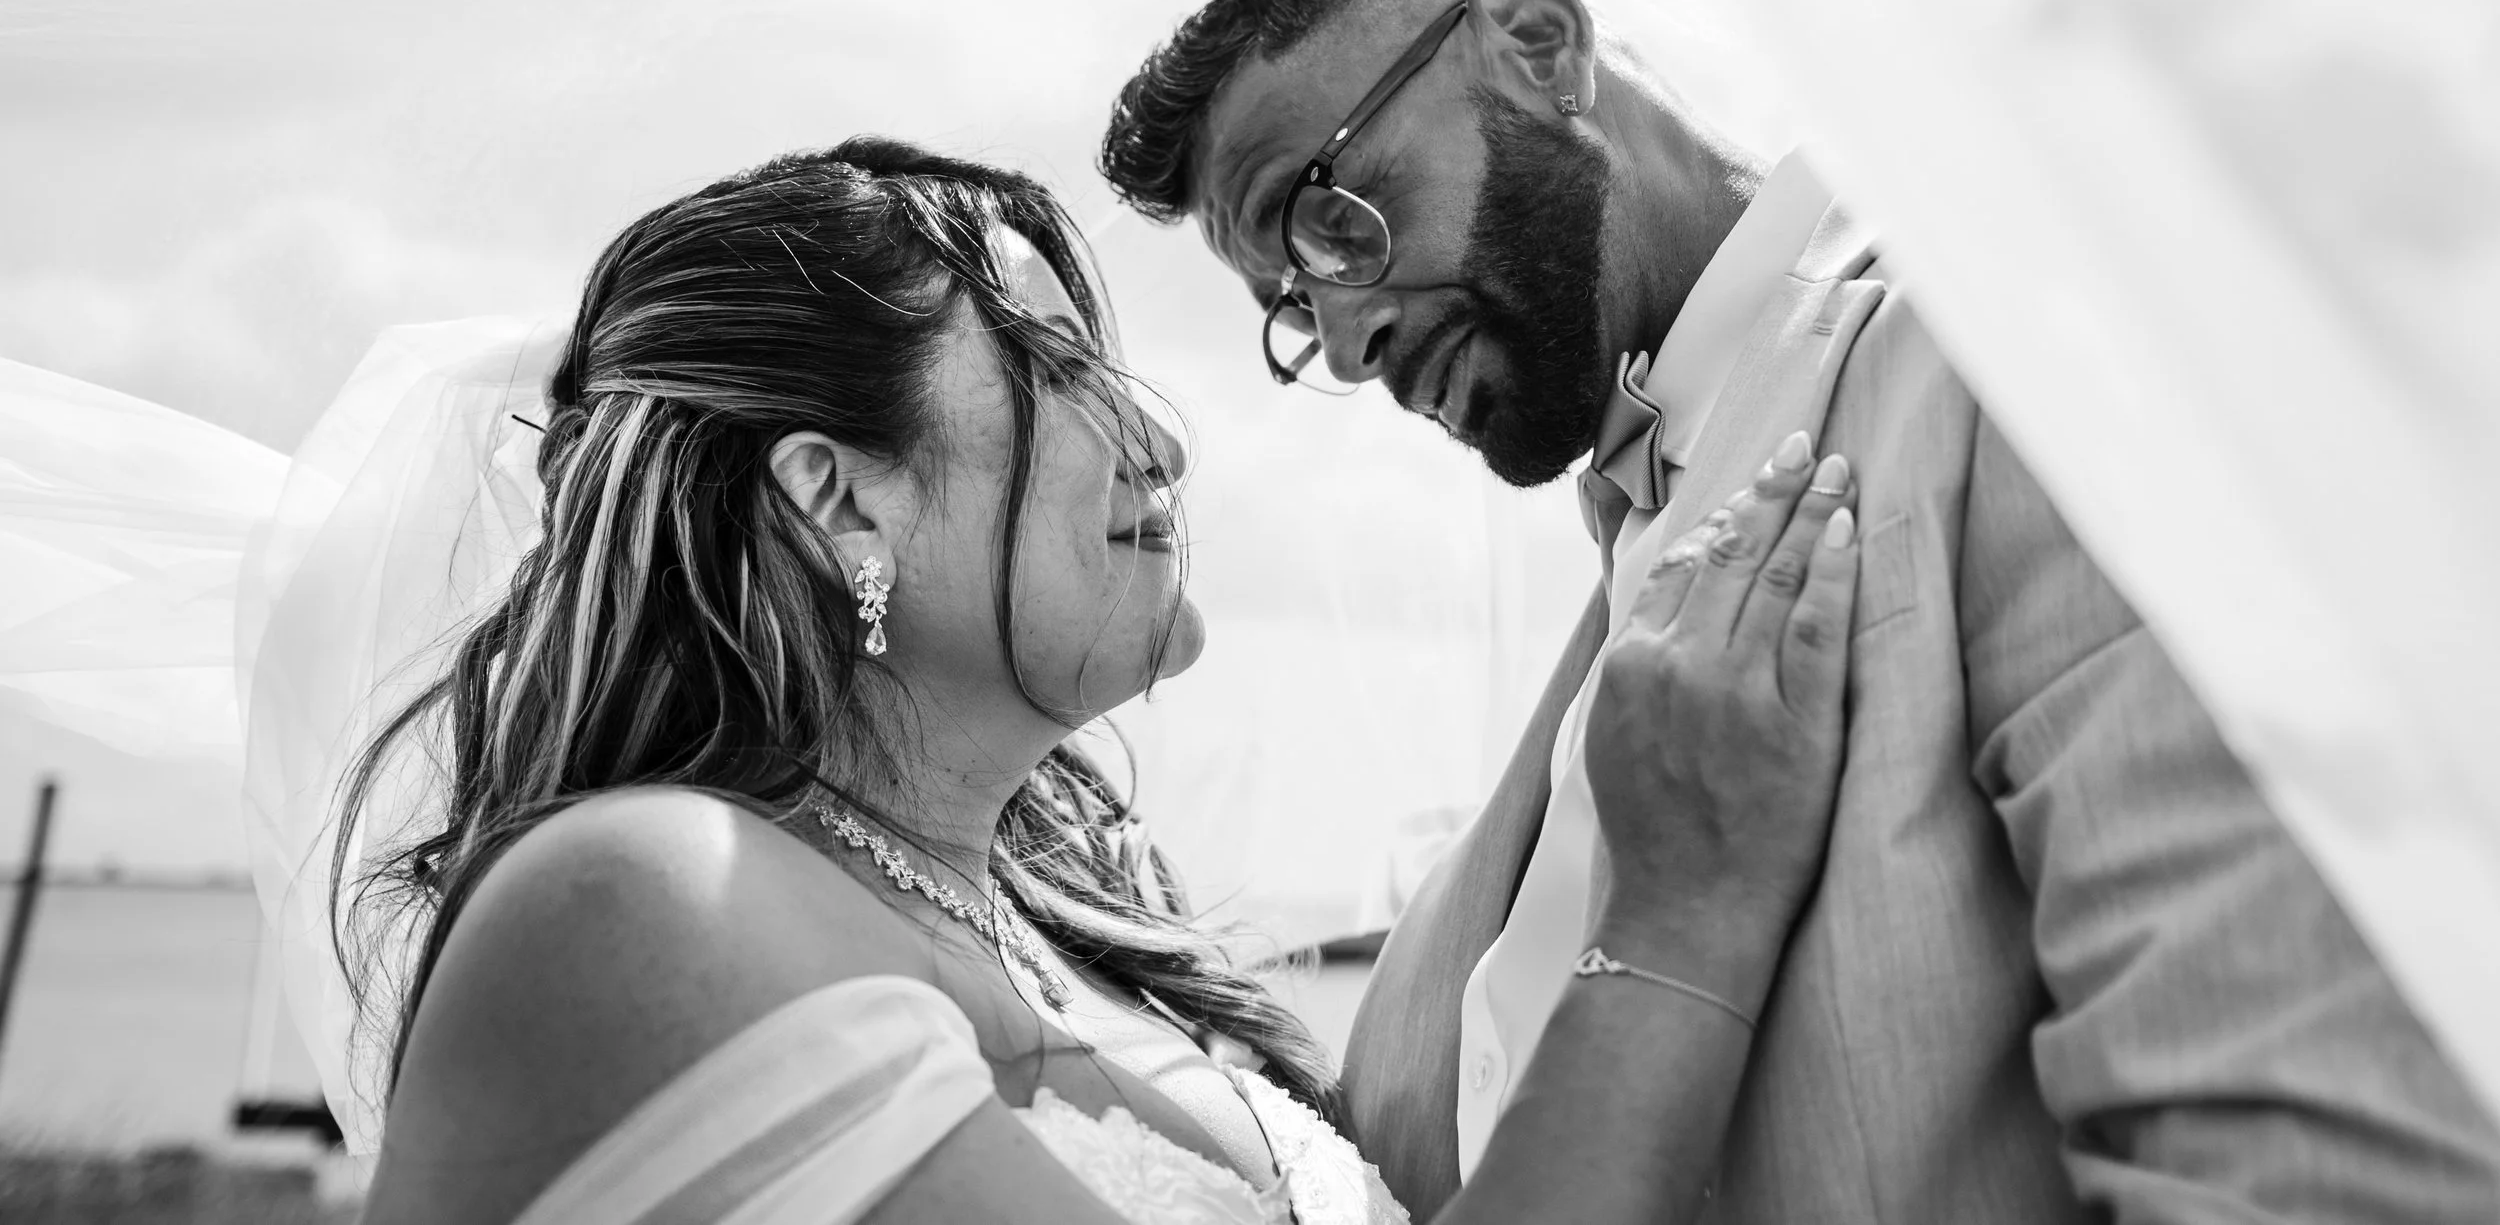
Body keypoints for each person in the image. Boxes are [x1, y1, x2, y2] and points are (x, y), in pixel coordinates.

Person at [1098, 0, 2500, 1220]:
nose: (1347, 343)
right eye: (1292, 309)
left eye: (1332, 220)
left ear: (1536, 43)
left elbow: (2304, 1163)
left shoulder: (2012, 367)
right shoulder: (1633, 544)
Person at [344, 136, 1867, 1225]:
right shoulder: (651, 901)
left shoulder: (1075, 937)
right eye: (1058, 364)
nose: (1162, 442)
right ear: (839, 498)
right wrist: (1682, 916)